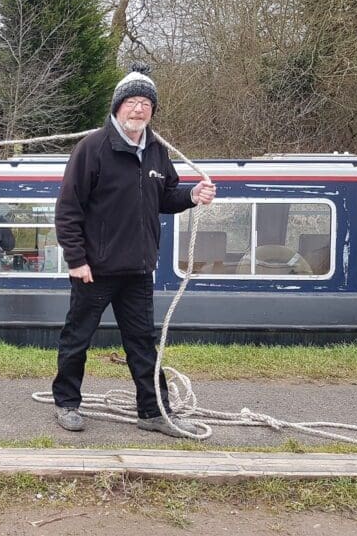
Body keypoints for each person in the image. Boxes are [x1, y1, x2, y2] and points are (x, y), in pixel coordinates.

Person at [52, 64, 216, 436]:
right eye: (132, 102)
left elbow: (167, 195)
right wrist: (76, 260)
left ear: (152, 110)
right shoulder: (91, 148)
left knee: (143, 343)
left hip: (139, 270)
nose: (139, 109)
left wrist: (192, 195)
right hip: (94, 268)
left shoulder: (157, 151)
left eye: (146, 103)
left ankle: (153, 411)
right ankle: (66, 403)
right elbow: (68, 209)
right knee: (77, 338)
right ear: (117, 107)